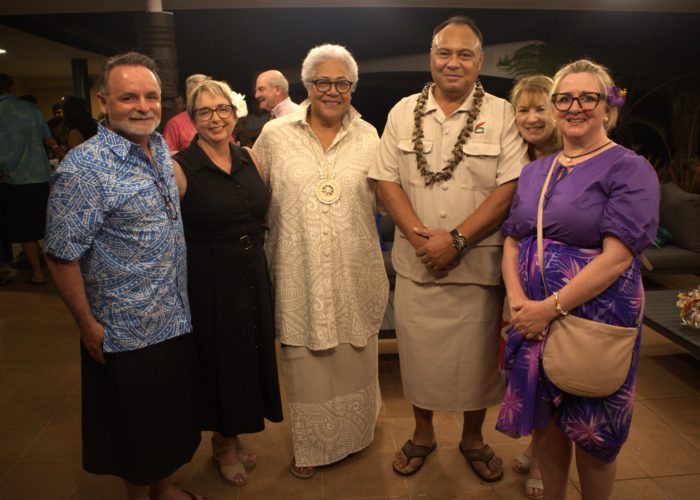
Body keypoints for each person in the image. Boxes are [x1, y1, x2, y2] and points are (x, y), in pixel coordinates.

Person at [368, 15, 528, 480]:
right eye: (444, 52)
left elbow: (510, 186)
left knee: (476, 363)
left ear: (479, 61)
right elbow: (385, 179)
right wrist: (423, 238)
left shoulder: (501, 114)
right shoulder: (402, 111)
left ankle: (473, 438)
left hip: (478, 266)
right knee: (418, 358)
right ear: (431, 57)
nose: (452, 62)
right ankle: (422, 434)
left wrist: (456, 240)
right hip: (419, 264)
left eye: (464, 54)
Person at [495, 59, 659, 500]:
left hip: (593, 316)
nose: (575, 107)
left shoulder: (628, 168)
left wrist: (548, 309)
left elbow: (616, 258)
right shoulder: (535, 171)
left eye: (588, 97)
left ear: (607, 107)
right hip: (531, 319)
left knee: (592, 435)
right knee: (546, 424)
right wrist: (518, 303)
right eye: (565, 98)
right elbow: (512, 241)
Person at [44, 52, 205, 500]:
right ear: (103, 103)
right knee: (135, 433)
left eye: (150, 96)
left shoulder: (155, 149)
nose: (142, 105)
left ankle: (164, 488)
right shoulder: (84, 169)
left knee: (165, 420)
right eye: (128, 97)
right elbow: (61, 257)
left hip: (173, 317)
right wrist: (86, 324)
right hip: (124, 331)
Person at [253, 44, 389, 479]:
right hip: (299, 269)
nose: (332, 91)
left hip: (353, 268)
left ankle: (358, 434)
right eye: (322, 82)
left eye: (342, 83)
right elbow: (250, 194)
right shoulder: (275, 135)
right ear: (307, 86)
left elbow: (392, 193)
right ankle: (311, 447)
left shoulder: (369, 135)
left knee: (353, 354)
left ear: (352, 87)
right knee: (305, 363)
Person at [172, 79, 283, 486]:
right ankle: (222, 444)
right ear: (193, 119)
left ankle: (230, 433)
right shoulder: (179, 167)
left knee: (246, 356)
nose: (215, 118)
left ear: (234, 112)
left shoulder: (249, 157)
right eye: (204, 112)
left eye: (222, 109)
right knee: (220, 361)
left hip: (251, 269)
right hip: (209, 278)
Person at [507, 74, 561, 499]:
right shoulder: (521, 160)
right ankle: (536, 444)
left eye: (540, 108)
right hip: (524, 284)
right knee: (532, 373)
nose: (530, 117)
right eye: (522, 109)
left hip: (563, 288)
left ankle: (544, 458)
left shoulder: (573, 158)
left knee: (554, 378)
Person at [0, 73, 64, 285]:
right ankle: (59, 273)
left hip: (13, 180)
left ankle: (38, 273)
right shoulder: (32, 110)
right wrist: (63, 153)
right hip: (40, 177)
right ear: (11, 88)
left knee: (25, 230)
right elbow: (49, 140)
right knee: (47, 226)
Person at [163, 73, 211, 152]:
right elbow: (166, 158)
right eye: (195, 92)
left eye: (206, 92)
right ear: (188, 94)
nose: (201, 96)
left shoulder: (218, 119)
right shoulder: (175, 124)